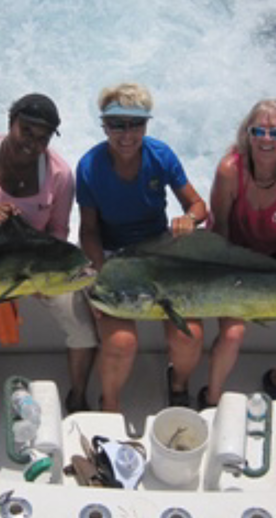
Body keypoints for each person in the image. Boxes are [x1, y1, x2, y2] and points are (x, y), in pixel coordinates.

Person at [0, 93, 98, 430]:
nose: (32, 142)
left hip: (36, 272)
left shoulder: (59, 175)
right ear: (10, 123)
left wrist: (46, 279)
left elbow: (59, 233)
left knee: (84, 331)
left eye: (42, 136)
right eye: (26, 131)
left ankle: (77, 396)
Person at [77, 82, 208, 412]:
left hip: (159, 255)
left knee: (188, 334)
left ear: (146, 125)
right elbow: (88, 230)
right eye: (116, 124)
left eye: (135, 124)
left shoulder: (160, 155)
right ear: (104, 125)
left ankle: (177, 384)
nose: (126, 134)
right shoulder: (89, 167)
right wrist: (98, 278)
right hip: (112, 259)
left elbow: (197, 205)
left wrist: (189, 219)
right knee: (122, 342)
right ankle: (110, 403)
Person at [204, 99, 276, 408]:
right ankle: (211, 397)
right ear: (247, 135)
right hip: (235, 259)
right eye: (259, 131)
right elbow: (220, 228)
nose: (266, 139)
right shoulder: (230, 171)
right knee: (232, 335)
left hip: (275, 262)